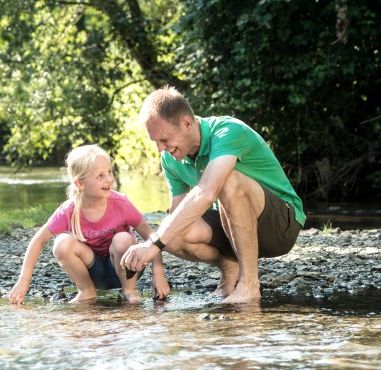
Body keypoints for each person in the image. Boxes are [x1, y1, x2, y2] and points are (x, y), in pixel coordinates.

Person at [121, 86, 306, 304]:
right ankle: (230, 267)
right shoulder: (171, 158)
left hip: (280, 226)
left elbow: (207, 192)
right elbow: (177, 214)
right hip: (232, 226)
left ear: (186, 123)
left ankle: (249, 284)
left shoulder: (227, 131)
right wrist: (157, 255)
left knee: (227, 180)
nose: (160, 149)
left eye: (164, 140)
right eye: (155, 142)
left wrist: (152, 244)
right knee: (172, 233)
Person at [9, 144, 170, 304]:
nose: (109, 179)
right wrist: (24, 280)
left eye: (109, 172)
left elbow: (152, 236)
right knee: (61, 243)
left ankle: (129, 290)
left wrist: (158, 274)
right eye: (100, 176)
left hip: (125, 269)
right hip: (93, 272)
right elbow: (38, 240)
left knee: (123, 239)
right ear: (80, 184)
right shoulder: (69, 210)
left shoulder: (121, 203)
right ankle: (86, 291)